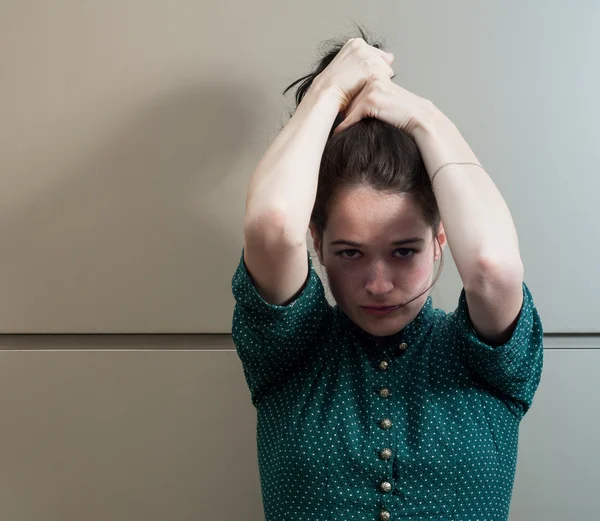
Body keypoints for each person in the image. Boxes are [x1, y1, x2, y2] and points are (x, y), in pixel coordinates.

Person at [230, 27, 543, 521]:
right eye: (350, 253)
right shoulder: (289, 350)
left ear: (441, 239)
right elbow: (270, 225)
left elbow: (492, 265)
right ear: (316, 243)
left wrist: (422, 116)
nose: (377, 284)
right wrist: (328, 92)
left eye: (403, 251)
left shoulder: (486, 358)